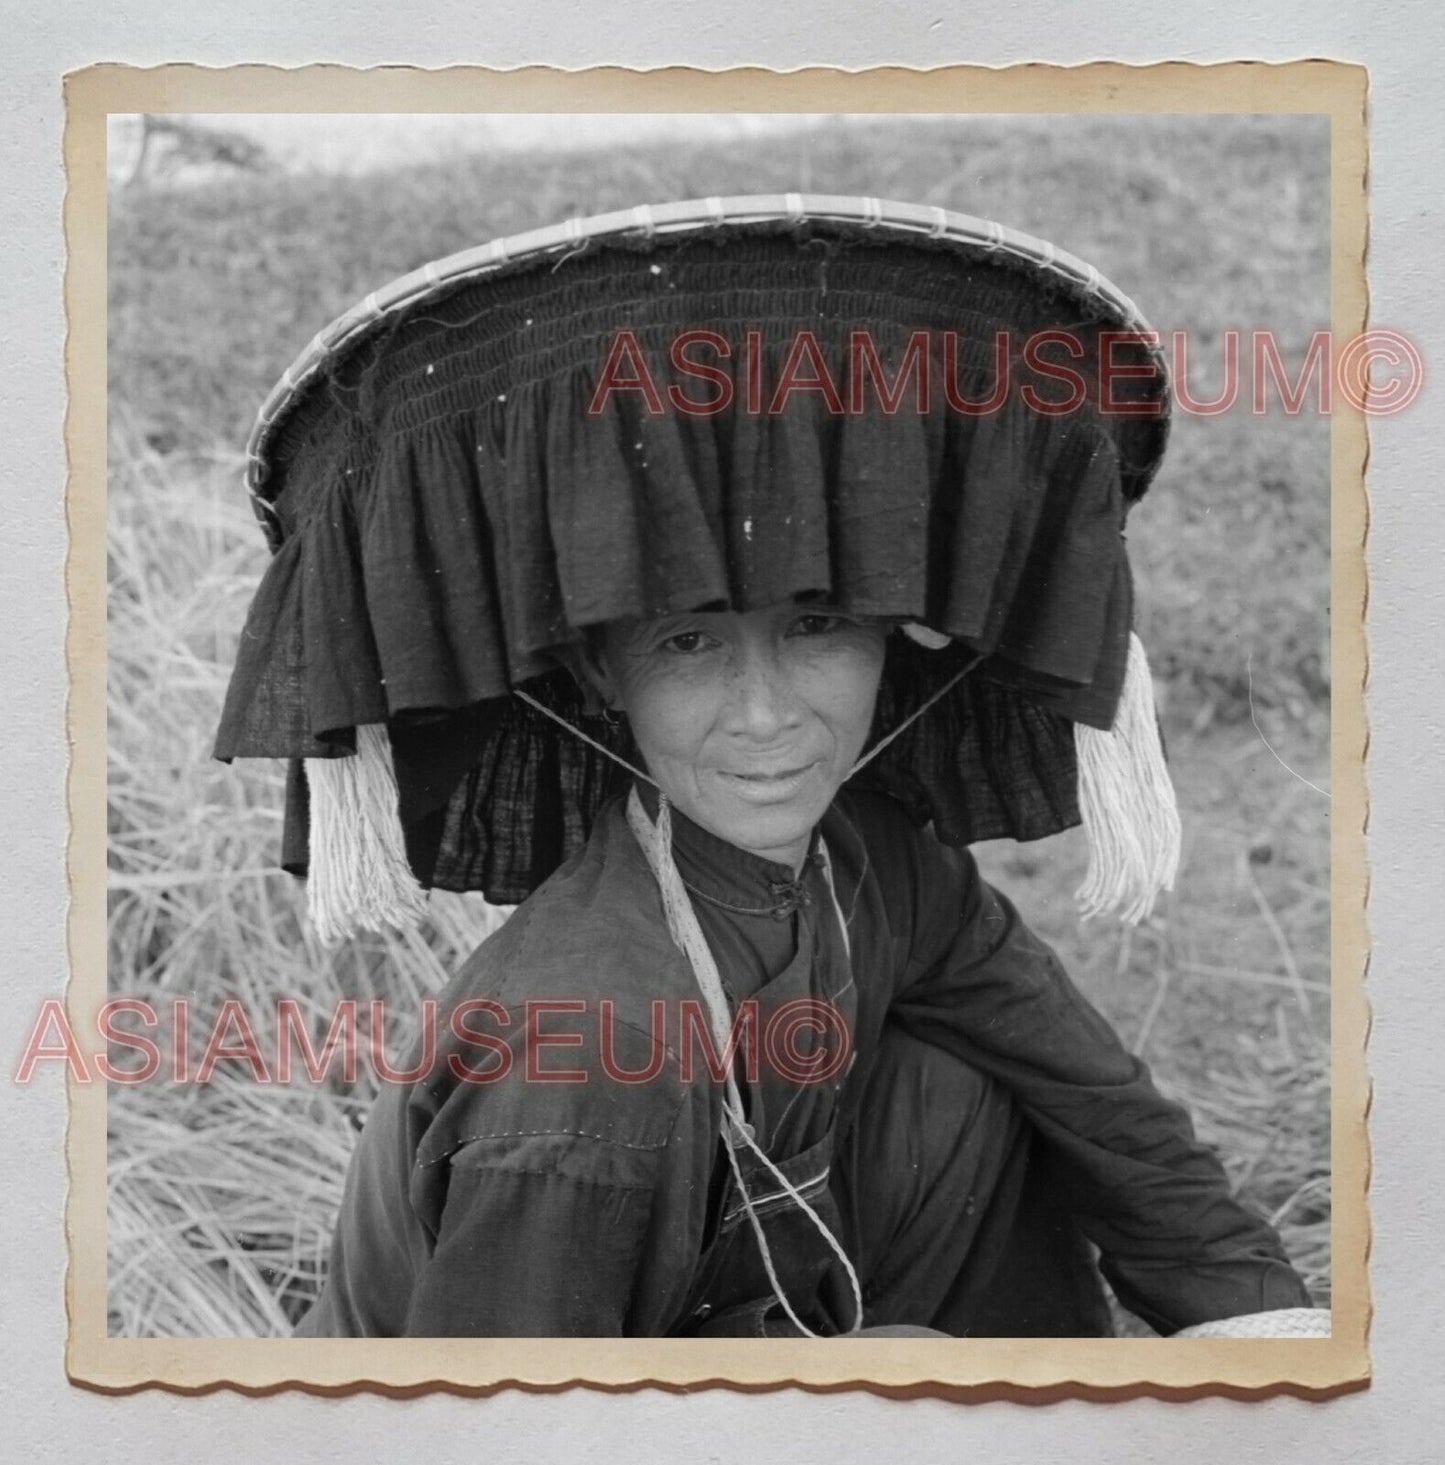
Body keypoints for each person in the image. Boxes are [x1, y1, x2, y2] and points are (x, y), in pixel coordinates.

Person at [214, 196, 1323, 1338]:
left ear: (888, 634)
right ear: (600, 677)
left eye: (814, 626)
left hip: (757, 1321)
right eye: (686, 642)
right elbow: (499, 1425)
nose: (765, 717)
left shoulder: (871, 863)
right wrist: (871, 1384)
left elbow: (1094, 1100)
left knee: (971, 1086)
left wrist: (1257, 1329)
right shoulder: (595, 1055)